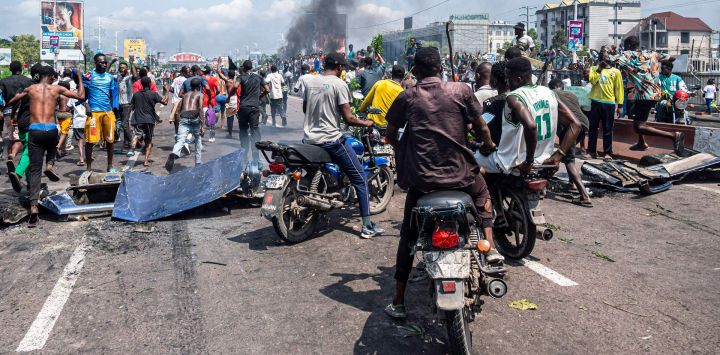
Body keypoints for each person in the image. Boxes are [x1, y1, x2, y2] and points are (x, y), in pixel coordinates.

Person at [383, 47, 499, 319]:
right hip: (461, 175)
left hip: (422, 181)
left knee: (408, 237)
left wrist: (404, 150)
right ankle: (491, 247)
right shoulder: (461, 91)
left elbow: (390, 133)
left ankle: (398, 301)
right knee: (483, 196)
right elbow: (481, 128)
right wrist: (489, 144)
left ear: (416, 70)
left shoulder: (407, 96)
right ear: (440, 68)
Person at [302, 52, 383, 239]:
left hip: (309, 139)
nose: (343, 70)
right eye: (343, 67)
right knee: (361, 178)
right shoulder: (340, 84)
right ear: (339, 67)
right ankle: (367, 226)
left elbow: (307, 109)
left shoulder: (310, 82)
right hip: (331, 140)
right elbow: (349, 118)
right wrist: (368, 123)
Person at [6, 66, 84, 226]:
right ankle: (50, 164)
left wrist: (16, 102)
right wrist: (80, 78)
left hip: (34, 130)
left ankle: (33, 206)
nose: (54, 79)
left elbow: (12, 100)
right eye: (53, 76)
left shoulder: (30, 89)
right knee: (53, 144)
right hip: (50, 129)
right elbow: (80, 96)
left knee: (34, 171)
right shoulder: (57, 89)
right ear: (47, 76)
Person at [475, 57, 580, 176]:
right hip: (544, 161)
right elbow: (576, 124)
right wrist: (558, 156)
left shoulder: (514, 97)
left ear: (518, 79)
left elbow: (531, 126)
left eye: (508, 78)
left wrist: (528, 161)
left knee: (471, 160)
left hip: (511, 162)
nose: (507, 83)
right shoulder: (548, 92)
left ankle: (483, 195)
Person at [612, 35, 685, 154]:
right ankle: (641, 142)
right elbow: (671, 58)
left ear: (629, 46)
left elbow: (608, 59)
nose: (624, 49)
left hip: (644, 95)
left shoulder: (629, 55)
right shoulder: (652, 53)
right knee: (636, 116)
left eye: (625, 46)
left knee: (639, 126)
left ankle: (673, 135)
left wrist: (610, 52)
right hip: (655, 93)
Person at [549, 79, 592, 206]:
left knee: (569, 160)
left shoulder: (551, 94)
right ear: (562, 87)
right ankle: (571, 183)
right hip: (584, 124)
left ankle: (585, 196)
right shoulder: (571, 94)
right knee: (568, 154)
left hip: (570, 127)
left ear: (551, 87)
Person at [82, 53, 120, 172]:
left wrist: (111, 108)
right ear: (95, 63)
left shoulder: (110, 77)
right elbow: (82, 94)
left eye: (105, 62)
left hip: (107, 113)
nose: (104, 64)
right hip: (93, 113)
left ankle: (110, 166)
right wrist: (86, 105)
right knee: (90, 141)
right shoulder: (89, 76)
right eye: (101, 62)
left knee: (110, 140)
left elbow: (111, 95)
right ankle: (88, 168)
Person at [165, 78, 205, 172]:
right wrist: (202, 125)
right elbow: (200, 108)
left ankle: (174, 154)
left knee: (180, 140)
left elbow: (179, 109)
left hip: (183, 117)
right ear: (199, 86)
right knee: (198, 140)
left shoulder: (185, 95)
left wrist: (178, 121)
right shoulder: (200, 94)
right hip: (194, 118)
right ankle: (198, 162)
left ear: (190, 86)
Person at [587, 58, 624, 158]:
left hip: (609, 103)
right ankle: (591, 152)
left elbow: (619, 88)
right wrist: (599, 69)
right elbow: (592, 81)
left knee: (608, 128)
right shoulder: (594, 68)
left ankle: (607, 153)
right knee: (592, 128)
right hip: (595, 101)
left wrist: (620, 105)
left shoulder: (616, 72)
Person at [129, 77, 169, 167]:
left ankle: (137, 138)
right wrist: (166, 92)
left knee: (138, 136)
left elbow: (132, 107)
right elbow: (165, 102)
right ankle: (146, 161)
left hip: (137, 119)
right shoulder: (153, 94)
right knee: (149, 141)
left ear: (141, 85)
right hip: (149, 120)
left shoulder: (136, 95)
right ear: (150, 84)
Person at [237, 60, 269, 162]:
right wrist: (260, 97)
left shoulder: (241, 76)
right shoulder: (258, 77)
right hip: (254, 108)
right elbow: (267, 90)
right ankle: (255, 152)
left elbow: (234, 86)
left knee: (243, 130)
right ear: (251, 67)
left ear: (244, 68)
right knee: (254, 129)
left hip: (243, 107)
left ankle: (244, 152)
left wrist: (229, 97)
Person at [116, 59, 137, 152]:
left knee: (124, 125)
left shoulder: (129, 78)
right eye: (120, 68)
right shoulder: (119, 77)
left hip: (128, 104)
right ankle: (126, 145)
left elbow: (135, 76)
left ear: (127, 69)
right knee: (124, 125)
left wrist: (132, 63)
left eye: (124, 68)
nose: (122, 69)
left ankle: (133, 144)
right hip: (120, 105)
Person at [169, 66, 190, 135]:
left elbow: (171, 89)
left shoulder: (176, 79)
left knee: (176, 120)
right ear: (183, 72)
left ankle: (176, 134)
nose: (189, 73)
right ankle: (183, 135)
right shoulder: (186, 80)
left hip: (175, 101)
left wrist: (176, 93)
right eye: (188, 72)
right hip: (183, 102)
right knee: (185, 120)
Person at [54, 81, 73, 159]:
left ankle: (63, 150)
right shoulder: (69, 95)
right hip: (67, 114)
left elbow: (55, 105)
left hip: (59, 114)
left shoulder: (59, 95)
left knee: (61, 132)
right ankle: (58, 146)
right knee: (64, 132)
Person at [67, 96, 87, 167]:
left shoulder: (72, 96)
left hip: (77, 121)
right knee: (89, 140)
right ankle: (89, 156)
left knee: (80, 141)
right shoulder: (89, 94)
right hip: (87, 120)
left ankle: (81, 159)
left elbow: (68, 107)